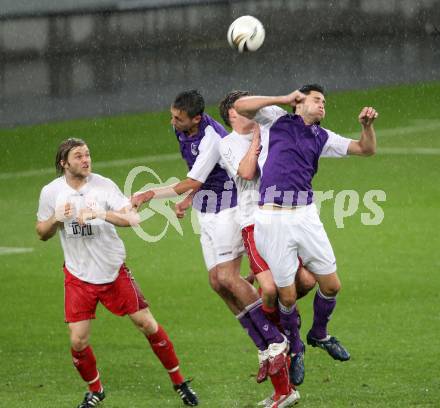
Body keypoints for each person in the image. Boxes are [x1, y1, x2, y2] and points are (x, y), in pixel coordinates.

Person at [131, 90, 290, 391]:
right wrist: (192, 199)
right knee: (216, 282)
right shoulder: (182, 128)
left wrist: (150, 193)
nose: (172, 121)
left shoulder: (212, 138)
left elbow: (193, 179)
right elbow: (202, 175)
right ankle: (262, 344)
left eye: (178, 118)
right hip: (206, 210)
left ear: (197, 118)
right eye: (172, 115)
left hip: (229, 208)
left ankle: (276, 339)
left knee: (229, 277)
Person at [36, 138, 198, 408]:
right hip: (78, 277)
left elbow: (133, 218)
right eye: (78, 156)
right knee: (78, 340)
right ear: (64, 163)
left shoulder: (103, 186)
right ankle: (96, 391)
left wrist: (100, 213)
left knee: (147, 324)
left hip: (113, 272)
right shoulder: (51, 192)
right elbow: (42, 233)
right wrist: (56, 218)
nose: (86, 160)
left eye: (87, 154)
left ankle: (179, 382)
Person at [234, 84, 378, 365]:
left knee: (332, 285)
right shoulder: (277, 119)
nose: (323, 104)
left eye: (324, 100)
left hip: (305, 215)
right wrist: (282, 97)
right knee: (286, 296)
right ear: (299, 103)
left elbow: (366, 148)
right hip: (272, 218)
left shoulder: (322, 136)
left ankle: (319, 334)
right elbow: (241, 106)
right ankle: (296, 347)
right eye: (316, 99)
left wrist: (366, 126)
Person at [218, 90, 317, 407]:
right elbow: (248, 173)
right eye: (243, 108)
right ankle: (284, 345)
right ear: (232, 115)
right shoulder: (228, 144)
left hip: (286, 216)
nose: (253, 111)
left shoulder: (274, 122)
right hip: (254, 222)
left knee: (306, 282)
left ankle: (285, 333)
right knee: (271, 289)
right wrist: (258, 139)